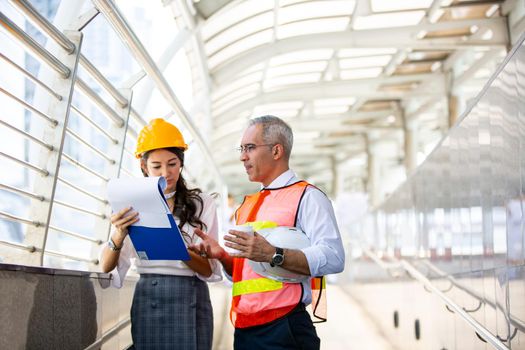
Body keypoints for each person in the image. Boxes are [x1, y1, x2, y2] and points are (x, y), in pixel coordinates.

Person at [191, 115, 345, 350]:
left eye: (250, 148)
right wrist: (222, 255)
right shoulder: (248, 205)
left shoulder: (308, 197)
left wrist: (274, 253)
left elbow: (334, 257)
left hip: (284, 327)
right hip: (245, 328)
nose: (243, 156)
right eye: (241, 149)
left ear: (276, 151)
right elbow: (247, 274)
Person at [100, 118, 222, 350]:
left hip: (190, 294)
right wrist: (118, 233)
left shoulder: (201, 204)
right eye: (156, 166)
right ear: (144, 167)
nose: (166, 173)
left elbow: (208, 269)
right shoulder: (131, 202)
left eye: (172, 164)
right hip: (149, 296)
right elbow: (106, 266)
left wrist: (176, 246)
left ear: (181, 163)